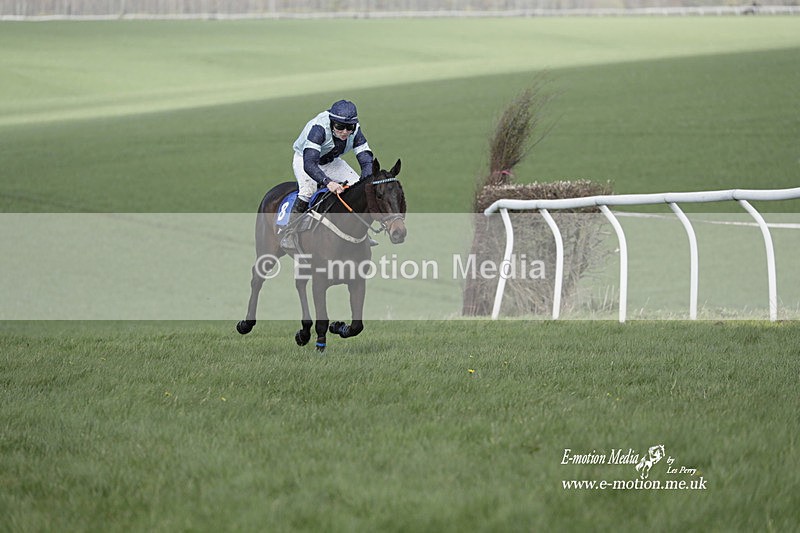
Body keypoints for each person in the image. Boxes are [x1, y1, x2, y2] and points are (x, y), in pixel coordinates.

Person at [280, 99, 375, 250]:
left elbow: (366, 160)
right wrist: (328, 182)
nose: (345, 132)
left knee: (358, 186)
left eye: (349, 127)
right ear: (332, 122)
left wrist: (366, 182)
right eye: (340, 126)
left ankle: (361, 231)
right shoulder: (319, 129)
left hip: (330, 161)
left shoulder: (355, 131)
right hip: (305, 159)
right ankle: (289, 232)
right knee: (307, 191)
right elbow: (310, 164)